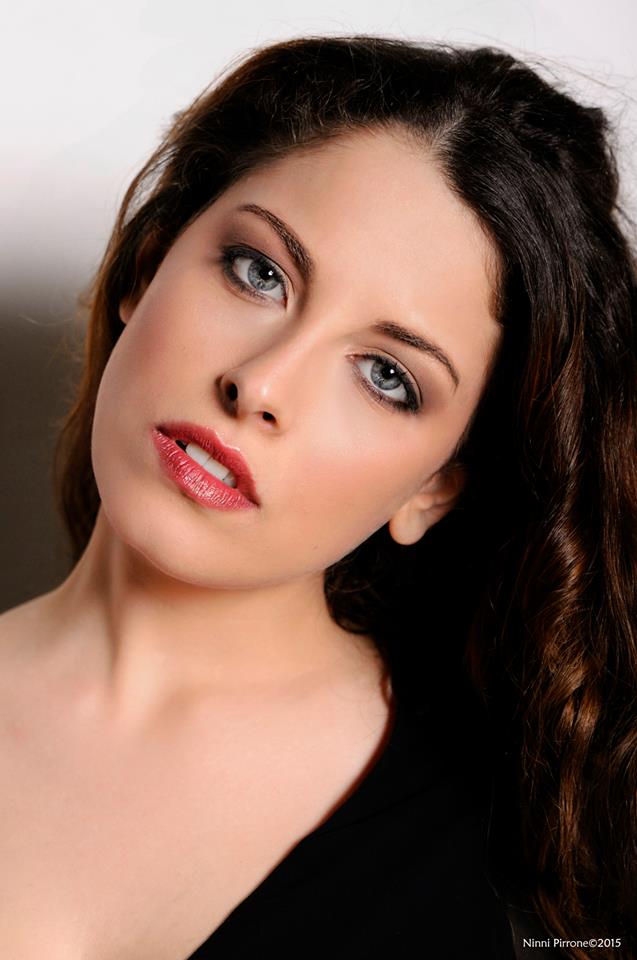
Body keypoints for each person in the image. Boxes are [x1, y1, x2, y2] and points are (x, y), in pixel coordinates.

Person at [0, 33, 635, 960]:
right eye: (260, 273)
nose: (260, 384)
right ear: (147, 263)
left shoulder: (515, 885)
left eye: (385, 376)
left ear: (436, 486)